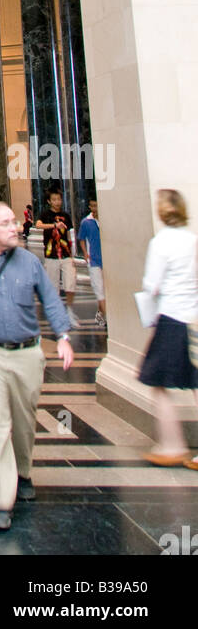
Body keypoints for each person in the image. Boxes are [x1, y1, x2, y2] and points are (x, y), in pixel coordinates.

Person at [0, 201, 73, 531]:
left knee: (23, 422)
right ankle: (2, 499)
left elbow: (50, 299)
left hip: (27, 354)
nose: (15, 227)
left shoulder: (30, 263)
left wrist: (63, 336)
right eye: (6, 223)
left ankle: (23, 472)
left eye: (14, 221)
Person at [138, 188, 198, 470]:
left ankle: (173, 445)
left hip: (171, 317)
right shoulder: (192, 240)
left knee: (158, 380)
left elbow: (152, 283)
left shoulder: (161, 242)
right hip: (194, 317)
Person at [35, 186, 76, 310]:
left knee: (70, 284)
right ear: (49, 201)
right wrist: (54, 225)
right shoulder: (45, 214)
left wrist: (72, 253)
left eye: (59, 199)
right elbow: (38, 225)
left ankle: (69, 310)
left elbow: (69, 234)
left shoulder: (66, 216)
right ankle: (57, 310)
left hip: (66, 254)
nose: (57, 202)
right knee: (53, 287)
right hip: (51, 255)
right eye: (54, 199)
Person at [78, 198, 106, 327]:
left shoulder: (105, 219)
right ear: (90, 207)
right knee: (99, 289)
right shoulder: (86, 222)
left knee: (106, 290)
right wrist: (85, 253)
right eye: (93, 206)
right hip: (94, 260)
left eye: (97, 205)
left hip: (106, 259)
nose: (96, 208)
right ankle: (107, 318)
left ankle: (101, 313)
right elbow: (82, 238)